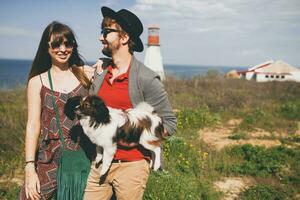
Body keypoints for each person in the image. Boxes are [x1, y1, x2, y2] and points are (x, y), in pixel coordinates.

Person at [84, 6, 177, 200]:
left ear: (124, 38)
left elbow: (170, 123)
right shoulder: (101, 75)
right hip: (99, 164)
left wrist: (140, 131)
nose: (101, 37)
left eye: (106, 32)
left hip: (132, 167)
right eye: (102, 31)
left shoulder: (146, 78)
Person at [19, 21, 94, 200]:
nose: (62, 49)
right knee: (28, 196)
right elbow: (33, 125)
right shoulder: (38, 82)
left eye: (68, 43)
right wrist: (30, 167)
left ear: (73, 46)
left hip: (83, 153)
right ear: (47, 47)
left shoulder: (85, 75)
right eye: (56, 44)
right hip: (49, 156)